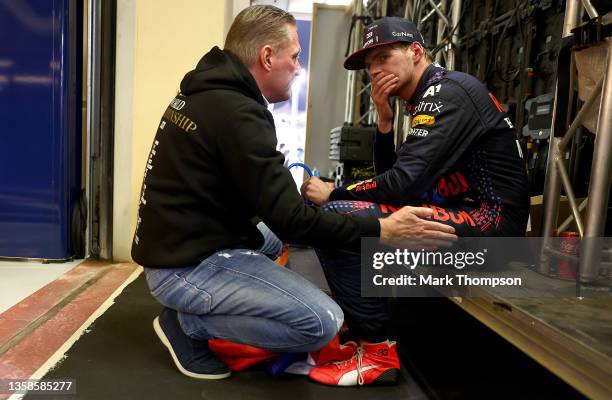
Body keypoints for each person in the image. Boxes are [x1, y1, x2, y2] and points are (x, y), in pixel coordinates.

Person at [130, 6, 456, 383]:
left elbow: (266, 201)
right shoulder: (238, 114)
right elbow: (295, 221)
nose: (299, 68)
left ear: (416, 53)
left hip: (181, 242)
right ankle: (189, 324)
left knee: (275, 237)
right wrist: (382, 228)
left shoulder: (208, 92)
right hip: (184, 267)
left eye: (384, 58)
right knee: (322, 322)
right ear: (267, 57)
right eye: (296, 57)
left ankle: (215, 302)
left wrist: (379, 130)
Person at [301, 17, 530, 386]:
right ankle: (366, 335)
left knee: (337, 214)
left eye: (384, 56)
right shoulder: (426, 97)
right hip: (461, 216)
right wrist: (384, 118)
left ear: (416, 52)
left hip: (491, 229)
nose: (374, 69)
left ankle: (376, 351)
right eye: (369, 63)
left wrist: (335, 192)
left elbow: (400, 185)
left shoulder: (446, 93)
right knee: (348, 217)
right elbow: (397, 178)